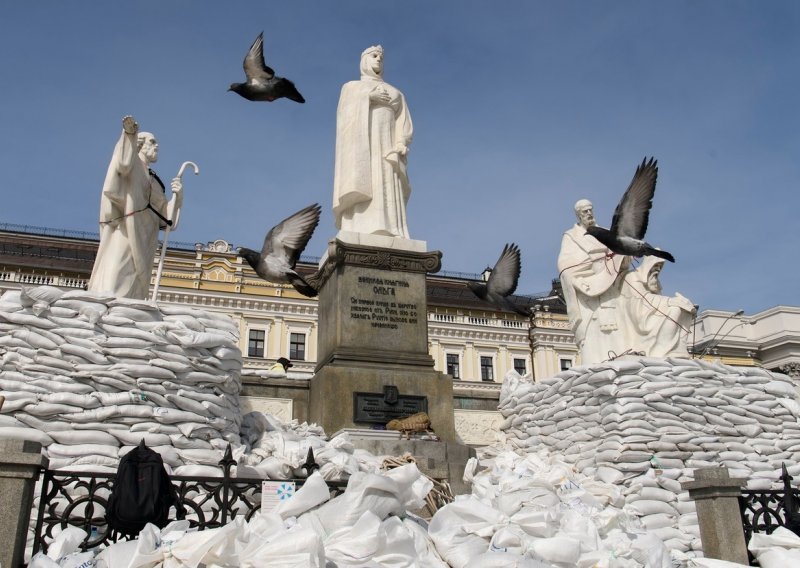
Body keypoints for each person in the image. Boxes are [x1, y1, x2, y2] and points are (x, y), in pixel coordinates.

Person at [88, 116, 183, 299]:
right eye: (152, 142)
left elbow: (166, 219)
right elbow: (122, 163)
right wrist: (129, 134)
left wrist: (178, 198)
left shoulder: (155, 182)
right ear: (140, 144)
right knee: (116, 273)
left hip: (146, 238)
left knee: (135, 283)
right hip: (125, 229)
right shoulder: (133, 165)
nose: (157, 146)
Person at [333, 45, 413, 239]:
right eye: (374, 56)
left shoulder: (396, 93)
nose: (378, 60)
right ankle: (361, 225)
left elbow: (404, 120)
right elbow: (344, 116)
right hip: (364, 145)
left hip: (388, 144)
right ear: (364, 60)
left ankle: (392, 228)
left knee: (386, 177)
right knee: (368, 177)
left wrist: (401, 141)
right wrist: (368, 97)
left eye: (380, 57)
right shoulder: (352, 87)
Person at [557, 199, 631, 363]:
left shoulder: (605, 232)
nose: (589, 214)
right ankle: (596, 365)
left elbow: (623, 256)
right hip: (587, 290)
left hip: (610, 286)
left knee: (617, 327)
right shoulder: (571, 237)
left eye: (590, 210)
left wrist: (622, 256)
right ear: (578, 215)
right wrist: (591, 263)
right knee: (593, 331)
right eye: (585, 211)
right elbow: (564, 266)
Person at [623, 255, 695, 357]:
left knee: (682, 310)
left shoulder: (653, 282)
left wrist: (679, 302)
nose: (658, 269)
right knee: (675, 309)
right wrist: (670, 301)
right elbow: (642, 299)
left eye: (660, 266)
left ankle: (676, 350)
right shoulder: (633, 276)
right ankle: (662, 350)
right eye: (656, 265)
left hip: (652, 311)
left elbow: (658, 298)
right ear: (648, 265)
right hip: (639, 316)